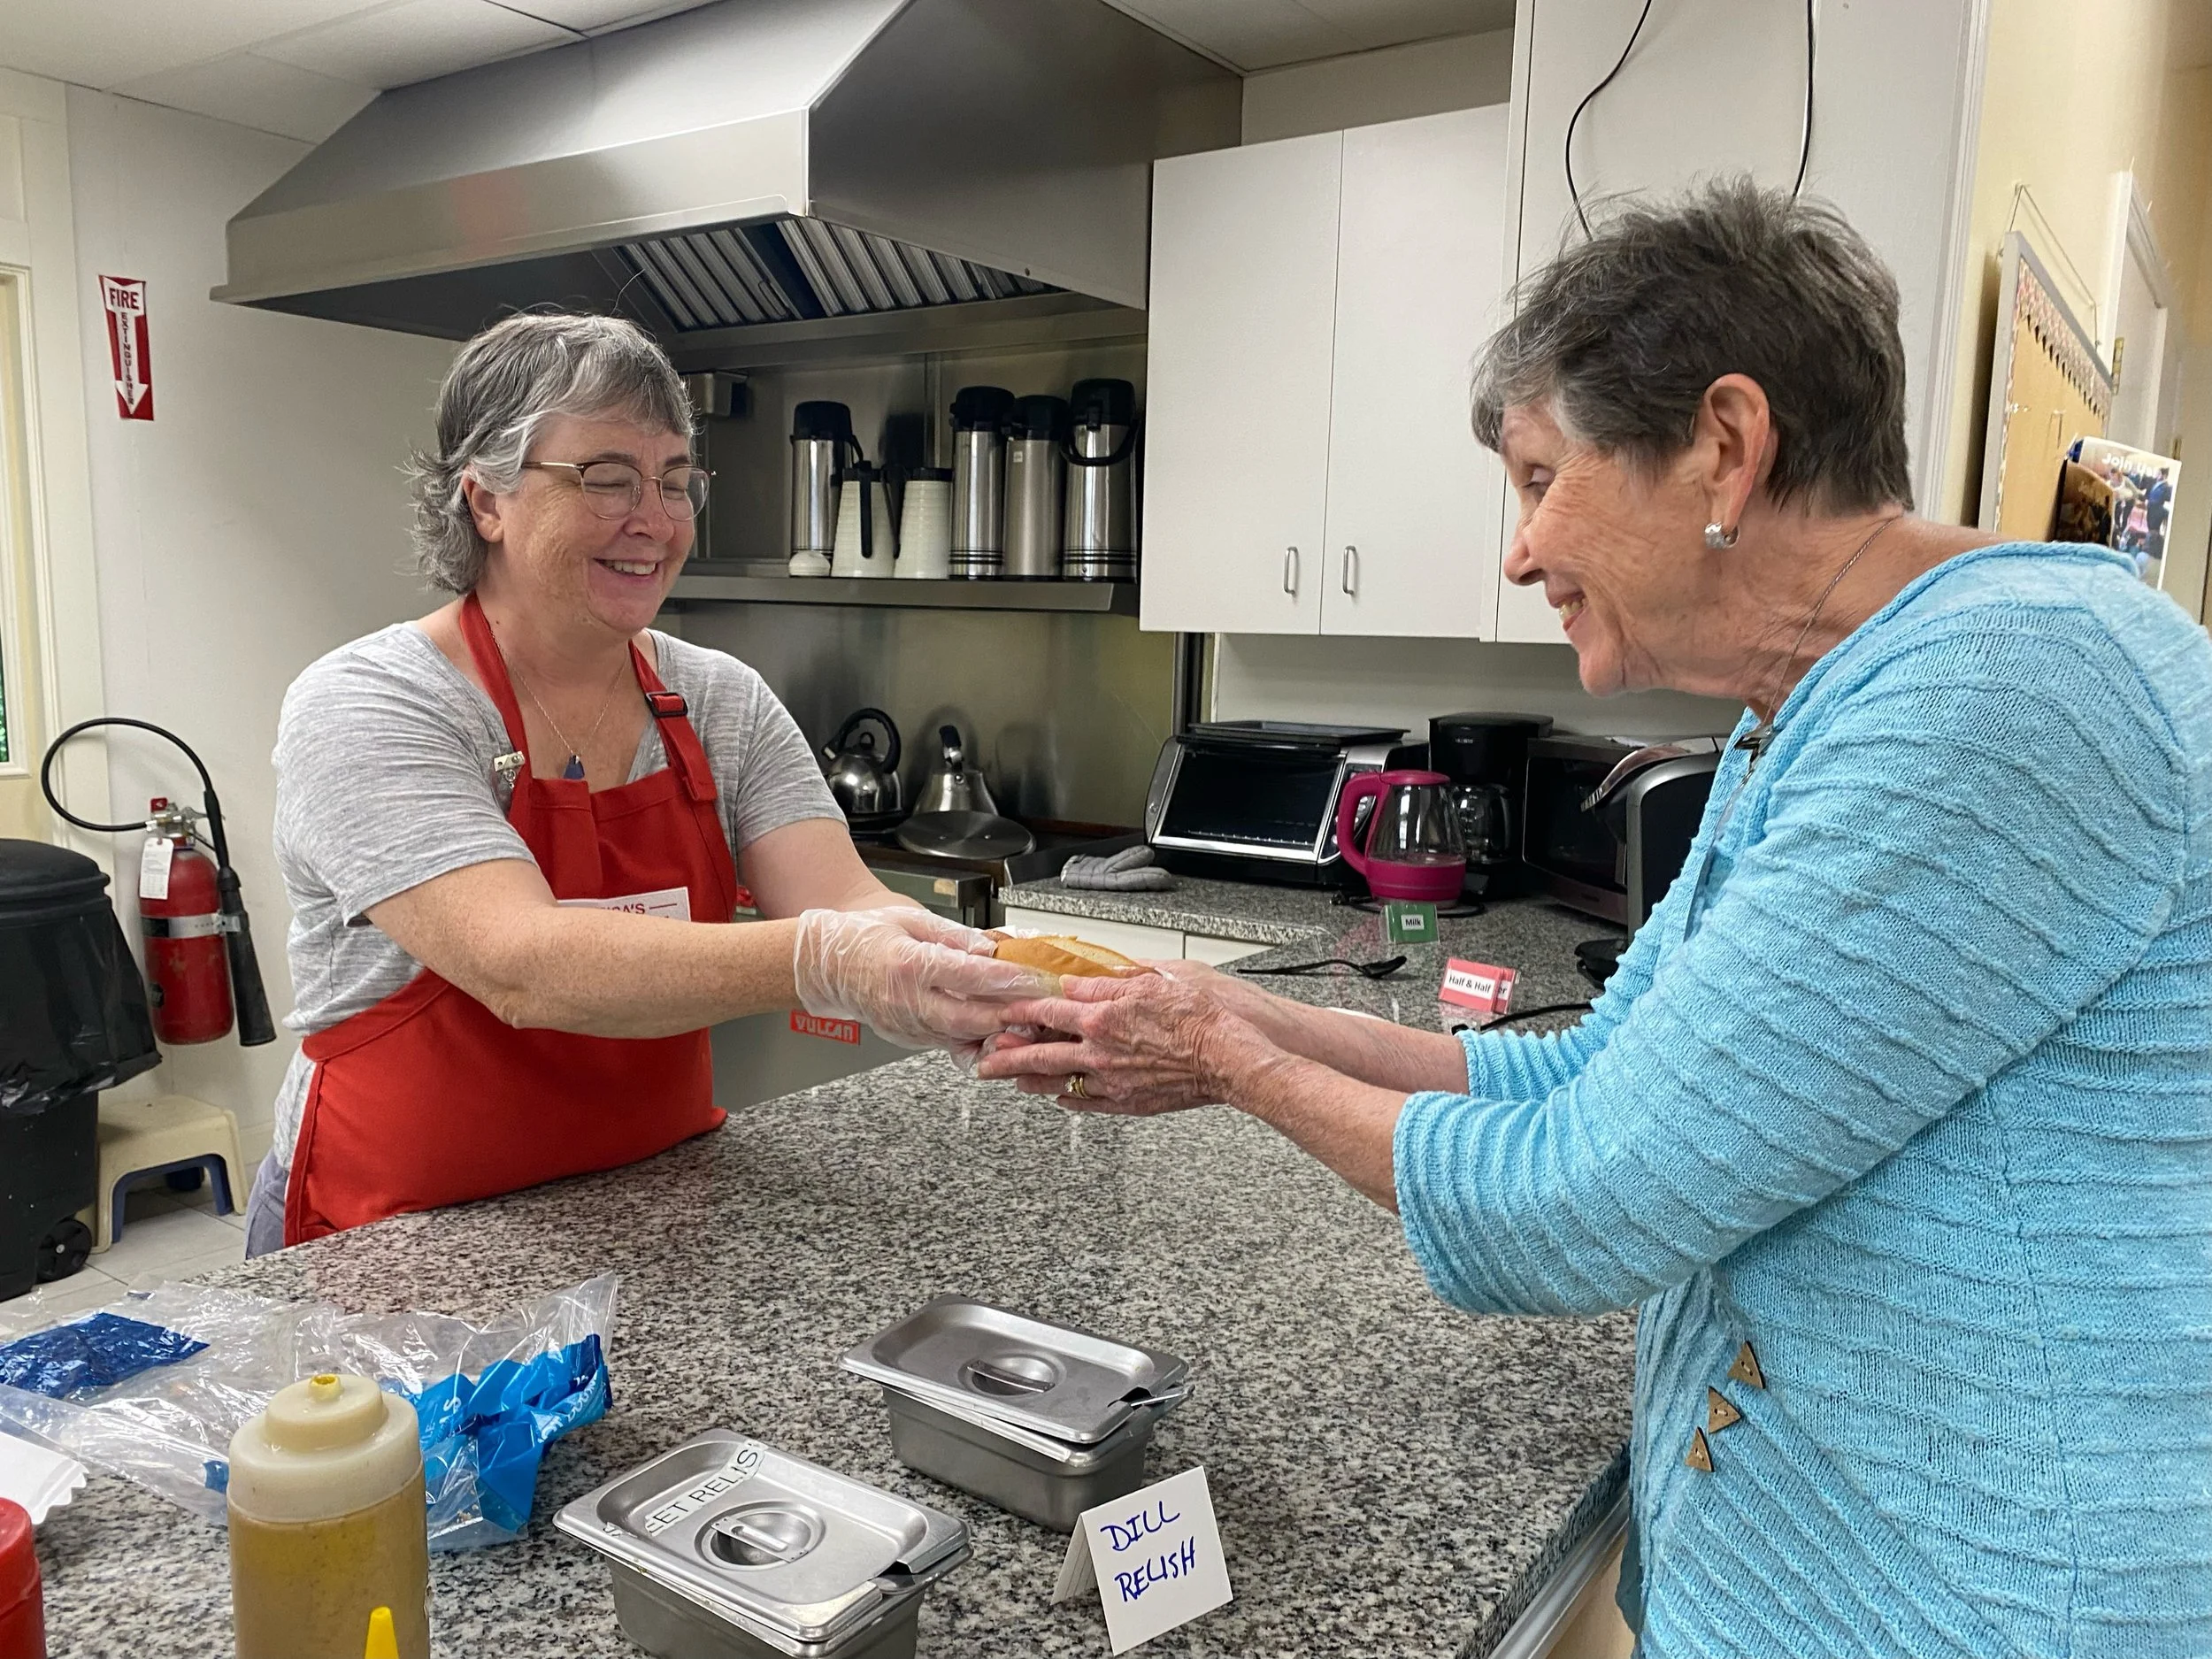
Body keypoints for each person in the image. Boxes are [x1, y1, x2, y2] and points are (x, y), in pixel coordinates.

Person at [978, 181, 2212, 1655]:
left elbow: (1581, 1196)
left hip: (1978, 1603)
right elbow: (1592, 1071)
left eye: (1539, 477)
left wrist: (1231, 1066)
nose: (1517, 552)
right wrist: (1250, 1016)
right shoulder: (1803, 714)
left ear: (1725, 446)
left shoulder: (2007, 692)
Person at [245, 312, 1041, 1256]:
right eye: (607, 478)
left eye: (674, 481)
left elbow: (846, 903)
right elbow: (520, 964)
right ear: (486, 500)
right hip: (395, 1233)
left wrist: (971, 975)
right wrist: (827, 963)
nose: (656, 522)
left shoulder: (718, 699)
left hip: (648, 1209)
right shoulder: (374, 702)